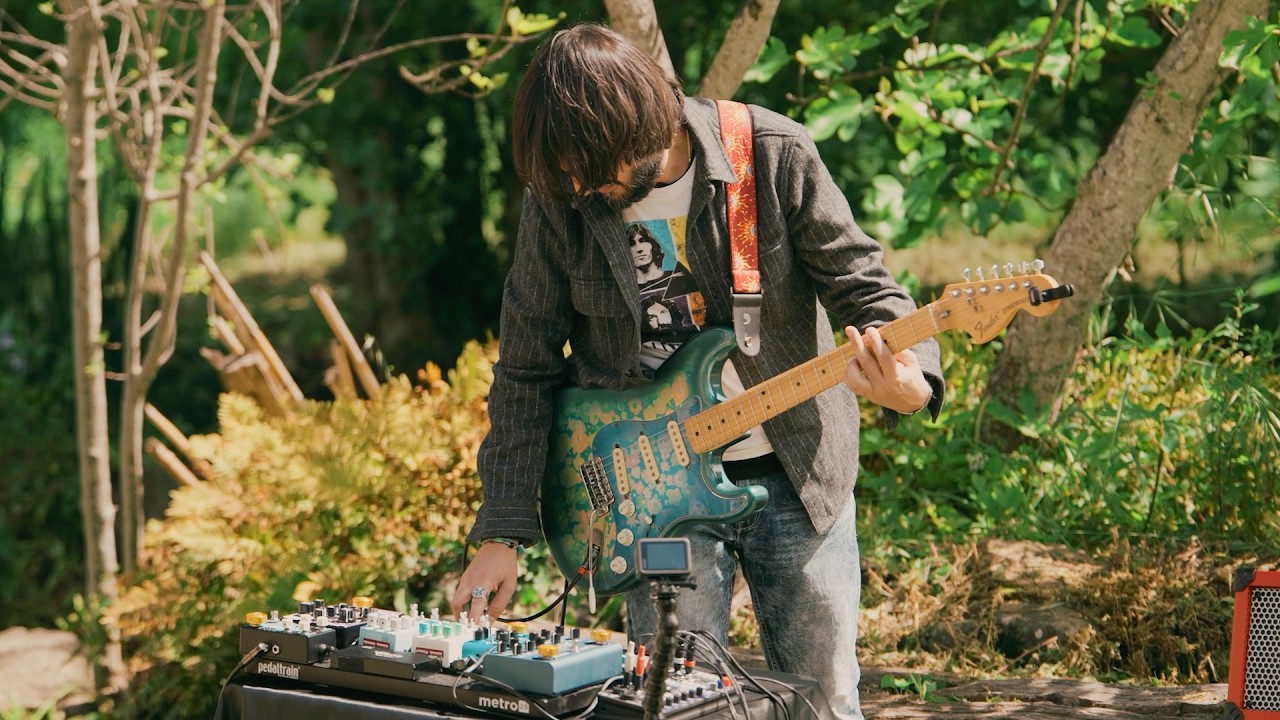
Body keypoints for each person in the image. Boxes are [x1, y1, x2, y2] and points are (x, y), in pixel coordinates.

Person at [449, 23, 943, 720]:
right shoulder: (566, 196)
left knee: (824, 699)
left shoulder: (770, 154)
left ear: (647, 126)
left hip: (796, 470)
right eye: (568, 176)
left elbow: (869, 289)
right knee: (676, 706)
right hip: (645, 494)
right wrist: (501, 533)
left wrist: (912, 379)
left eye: (596, 170)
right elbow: (526, 366)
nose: (583, 187)